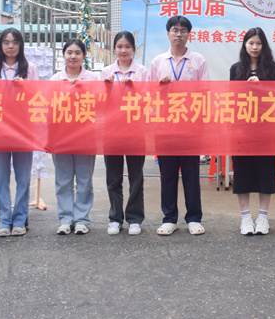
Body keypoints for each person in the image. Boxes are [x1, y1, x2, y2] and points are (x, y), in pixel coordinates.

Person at [149, 15, 209, 236]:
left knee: (191, 174)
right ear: (168, 34)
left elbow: (205, 91)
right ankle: (169, 219)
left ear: (188, 34)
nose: (179, 34)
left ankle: (193, 218)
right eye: (174, 30)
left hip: (190, 125)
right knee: (168, 174)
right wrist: (160, 87)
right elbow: (149, 93)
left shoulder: (198, 60)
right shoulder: (158, 61)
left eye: (183, 30)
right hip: (164, 126)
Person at [230, 27, 275, 236]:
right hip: (242, 130)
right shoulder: (236, 68)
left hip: (265, 130)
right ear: (245, 44)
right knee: (242, 173)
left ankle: (262, 217)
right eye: (251, 43)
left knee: (265, 173)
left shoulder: (271, 68)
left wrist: (262, 87)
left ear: (264, 45)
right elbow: (231, 97)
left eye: (259, 43)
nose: (255, 47)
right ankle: (245, 218)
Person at [0, 28, 39, 238]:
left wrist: (24, 88)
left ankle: (20, 218)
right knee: (2, 177)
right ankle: (4, 219)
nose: (10, 46)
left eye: (15, 42)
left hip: (23, 130)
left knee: (23, 177)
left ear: (21, 45)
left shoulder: (30, 69)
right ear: (1, 46)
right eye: (6, 42)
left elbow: (38, 97)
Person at [100, 31, 149, 236]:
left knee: (136, 176)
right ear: (114, 49)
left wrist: (134, 89)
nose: (123, 50)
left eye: (127, 47)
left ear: (134, 49)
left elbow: (148, 99)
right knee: (113, 177)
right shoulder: (106, 72)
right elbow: (99, 103)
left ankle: (135, 219)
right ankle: (115, 218)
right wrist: (107, 88)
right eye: (120, 47)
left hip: (135, 130)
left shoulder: (142, 71)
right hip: (111, 131)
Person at [50, 39, 99, 235]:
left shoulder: (92, 79)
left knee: (85, 179)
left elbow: (100, 105)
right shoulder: (55, 80)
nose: (73, 56)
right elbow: (49, 108)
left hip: (85, 136)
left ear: (84, 56)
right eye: (69, 52)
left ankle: (81, 219)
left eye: (78, 53)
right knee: (63, 180)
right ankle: (65, 219)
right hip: (61, 137)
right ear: (63, 55)